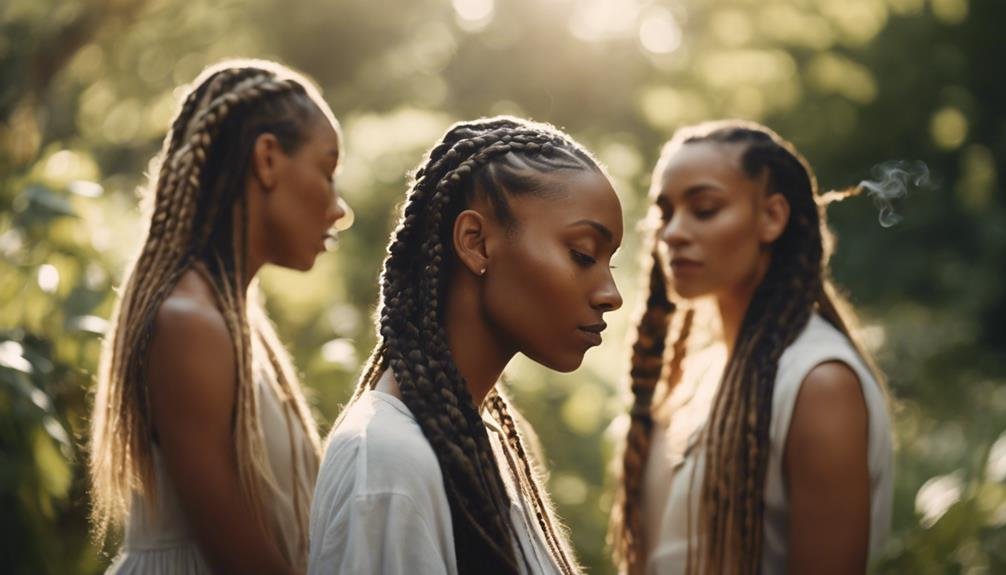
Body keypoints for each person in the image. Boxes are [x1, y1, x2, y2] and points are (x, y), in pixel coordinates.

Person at [308, 116, 623, 575]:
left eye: (608, 263)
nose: (611, 294)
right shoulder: (388, 464)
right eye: (582, 255)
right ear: (475, 243)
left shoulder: (474, 445)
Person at [89, 59, 348, 574]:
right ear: (268, 159)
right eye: (327, 170)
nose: (340, 208)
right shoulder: (192, 323)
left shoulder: (229, 317)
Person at [611, 120, 894, 575]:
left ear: (772, 217)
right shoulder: (691, 372)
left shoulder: (818, 383)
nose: (673, 233)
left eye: (703, 209)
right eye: (665, 212)